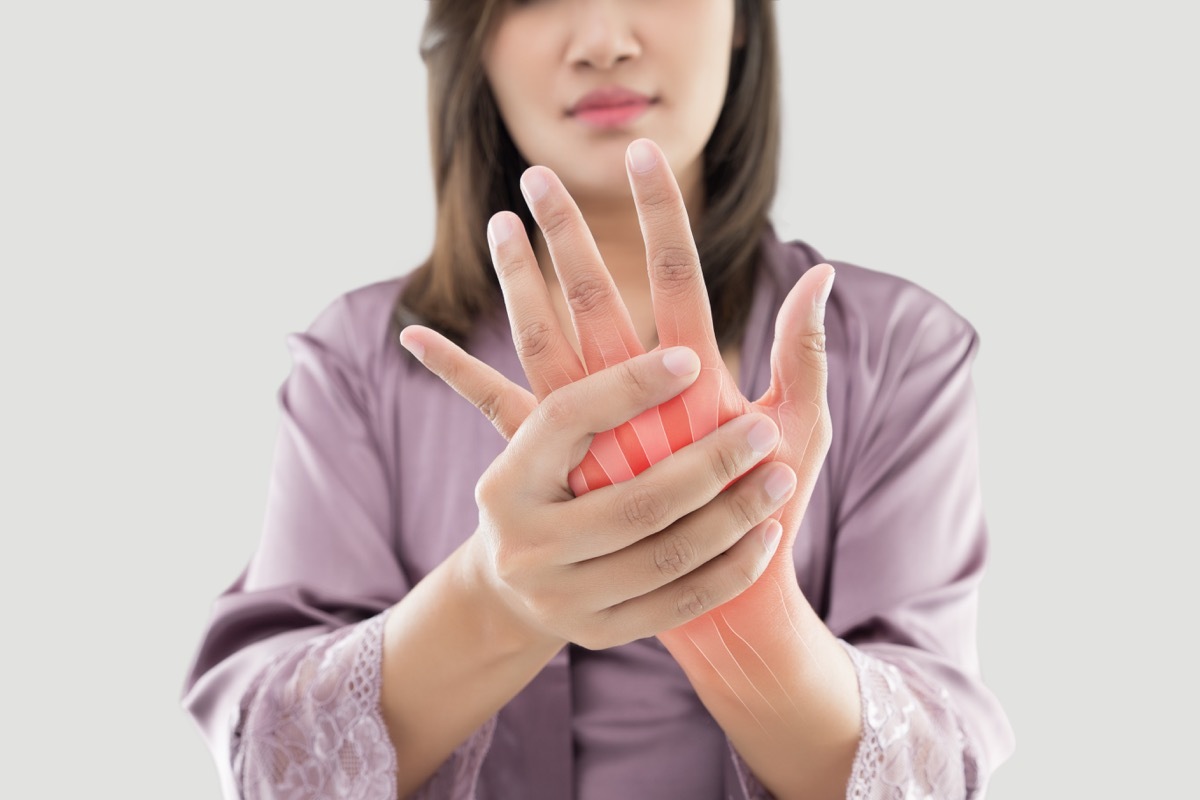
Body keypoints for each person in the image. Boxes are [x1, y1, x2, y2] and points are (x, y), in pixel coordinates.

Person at [180, 1, 1015, 798]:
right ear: (471, 31)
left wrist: (756, 633)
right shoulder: (359, 362)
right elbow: (268, 770)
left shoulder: (899, 350)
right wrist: (492, 602)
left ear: (742, 19)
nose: (604, 39)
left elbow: (936, 780)